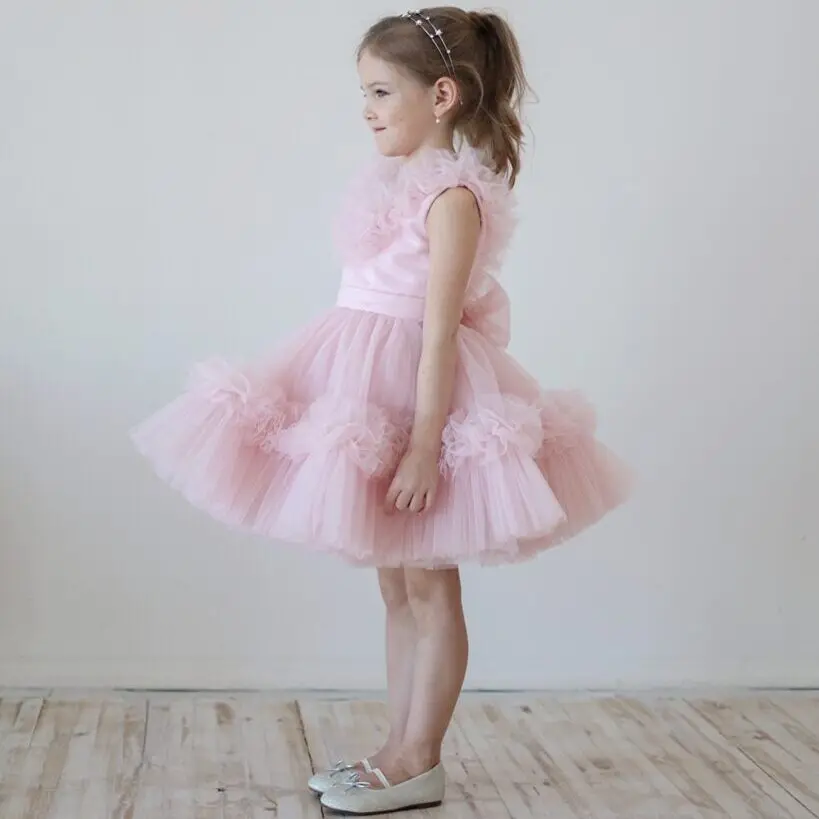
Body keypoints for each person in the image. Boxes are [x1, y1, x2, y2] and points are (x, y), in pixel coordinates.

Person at [132, 6, 632, 814]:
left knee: (431, 586)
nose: (364, 109)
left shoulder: (453, 198)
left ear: (440, 95)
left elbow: (437, 336)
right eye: (361, 92)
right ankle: (397, 744)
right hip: (366, 384)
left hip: (424, 398)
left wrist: (425, 446)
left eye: (379, 91)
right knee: (397, 588)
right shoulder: (393, 185)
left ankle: (418, 758)